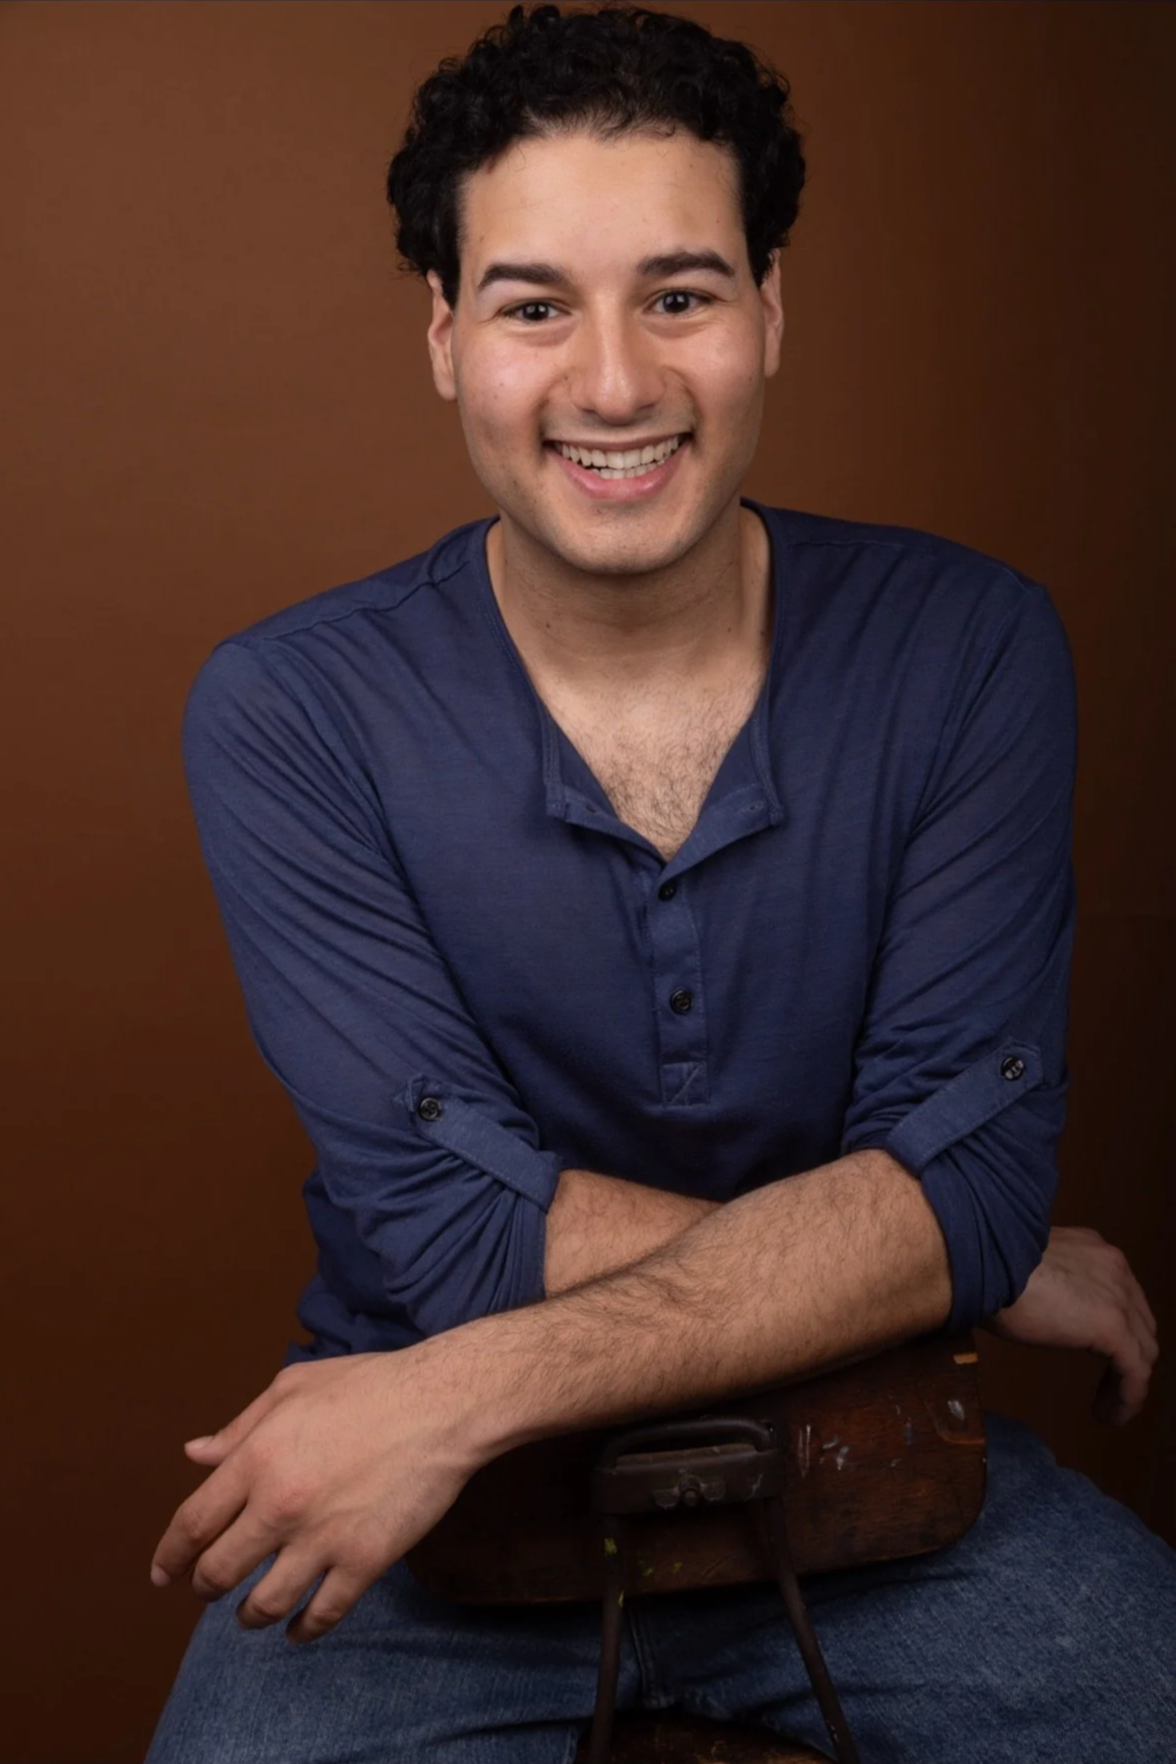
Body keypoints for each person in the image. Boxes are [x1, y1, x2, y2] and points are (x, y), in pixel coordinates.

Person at [145, 6, 1173, 1760]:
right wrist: (933, 1256)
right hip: (436, 1542)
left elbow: (968, 1191)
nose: (614, 384)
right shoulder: (292, 709)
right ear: (446, 337)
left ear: (770, 310)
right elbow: (455, 1230)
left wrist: (458, 1392)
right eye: (536, 306)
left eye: (679, 295)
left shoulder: (968, 648)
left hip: (866, 1479)